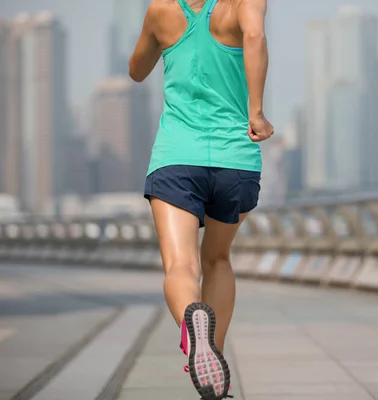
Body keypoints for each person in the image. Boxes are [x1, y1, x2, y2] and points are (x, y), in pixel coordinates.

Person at [129, 0, 273, 398]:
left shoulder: (161, 10)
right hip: (235, 159)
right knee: (217, 259)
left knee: (181, 265)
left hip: (176, 158)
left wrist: (167, 41)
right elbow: (256, 36)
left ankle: (195, 342)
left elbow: (136, 70)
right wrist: (256, 112)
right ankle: (214, 366)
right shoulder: (244, 3)